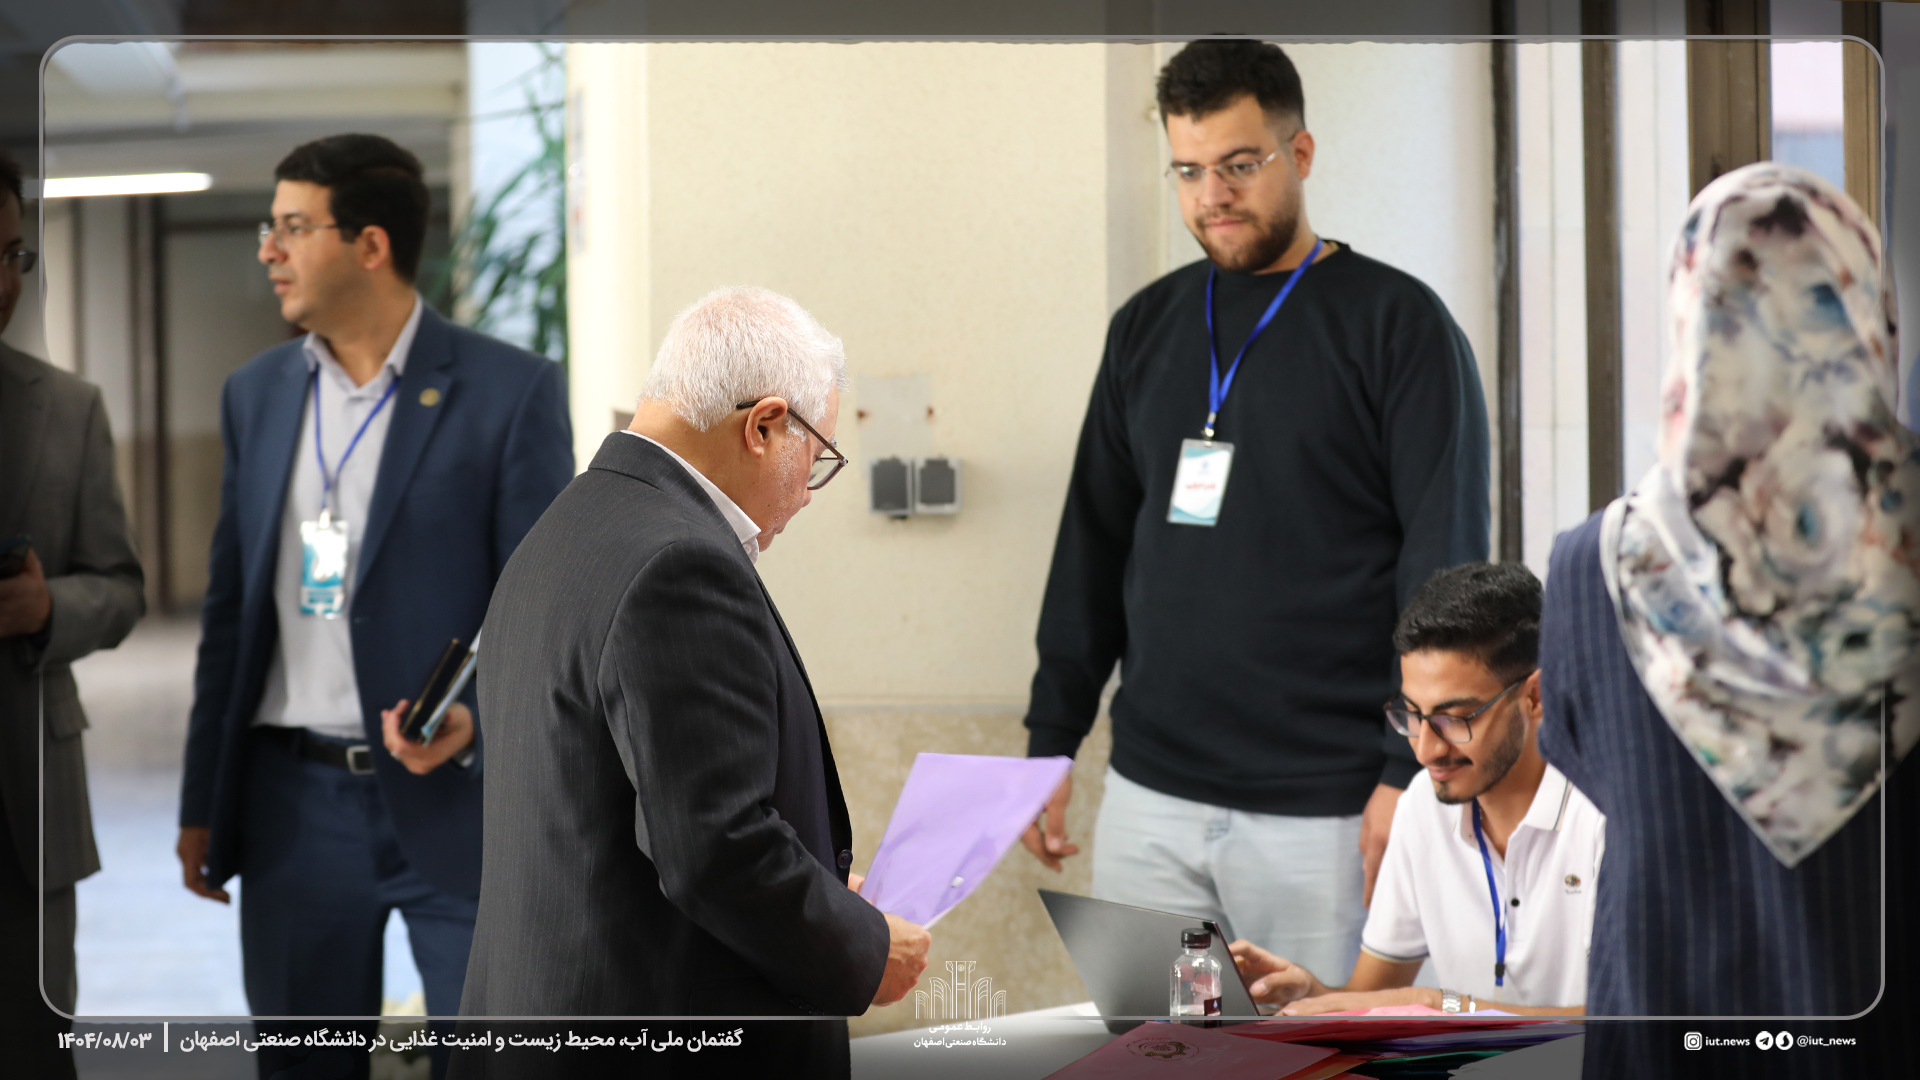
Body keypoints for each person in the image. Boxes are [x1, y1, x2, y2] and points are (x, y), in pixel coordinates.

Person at [1018, 38, 1489, 984]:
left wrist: (1411, 772)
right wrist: (1050, 741)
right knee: (1160, 1045)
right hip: (1151, 798)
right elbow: (1092, 547)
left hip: (1326, 811)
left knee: (1311, 1049)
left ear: (1299, 153)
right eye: (1189, 171)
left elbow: (1444, 568)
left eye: (1239, 164)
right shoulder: (1145, 327)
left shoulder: (1398, 326)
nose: (1213, 196)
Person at [174, 134, 573, 1077]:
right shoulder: (257, 395)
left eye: (291, 227)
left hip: (459, 800)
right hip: (292, 809)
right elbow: (231, 613)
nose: (268, 249)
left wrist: (480, 723)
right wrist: (203, 798)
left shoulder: (508, 392)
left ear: (371, 245)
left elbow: (547, 609)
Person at [454, 287, 928, 1078]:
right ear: (764, 425)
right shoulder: (679, 564)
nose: (806, 495)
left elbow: (622, 806)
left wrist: (812, 879)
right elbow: (714, 847)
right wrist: (862, 946)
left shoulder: (572, 524)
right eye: (817, 457)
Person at [1537, 164, 1913, 1071]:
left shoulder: (1592, 565)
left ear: (1690, 319)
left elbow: (1592, 759)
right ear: (1867, 312)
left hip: (1665, 1020)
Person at [1230, 563, 1597, 1017]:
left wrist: (1436, 1005)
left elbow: (1639, 1028)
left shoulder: (1608, 814)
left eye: (1455, 719)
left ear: (1535, 697)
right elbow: (1369, 998)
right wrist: (1310, 994)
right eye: (1412, 716)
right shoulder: (1423, 803)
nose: (1426, 750)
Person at [0, 152, 145, 1077]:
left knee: (32, 1046)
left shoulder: (67, 409)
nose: (3, 282)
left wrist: (51, 606)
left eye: (12, 255)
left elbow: (123, 587)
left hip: (25, 807)